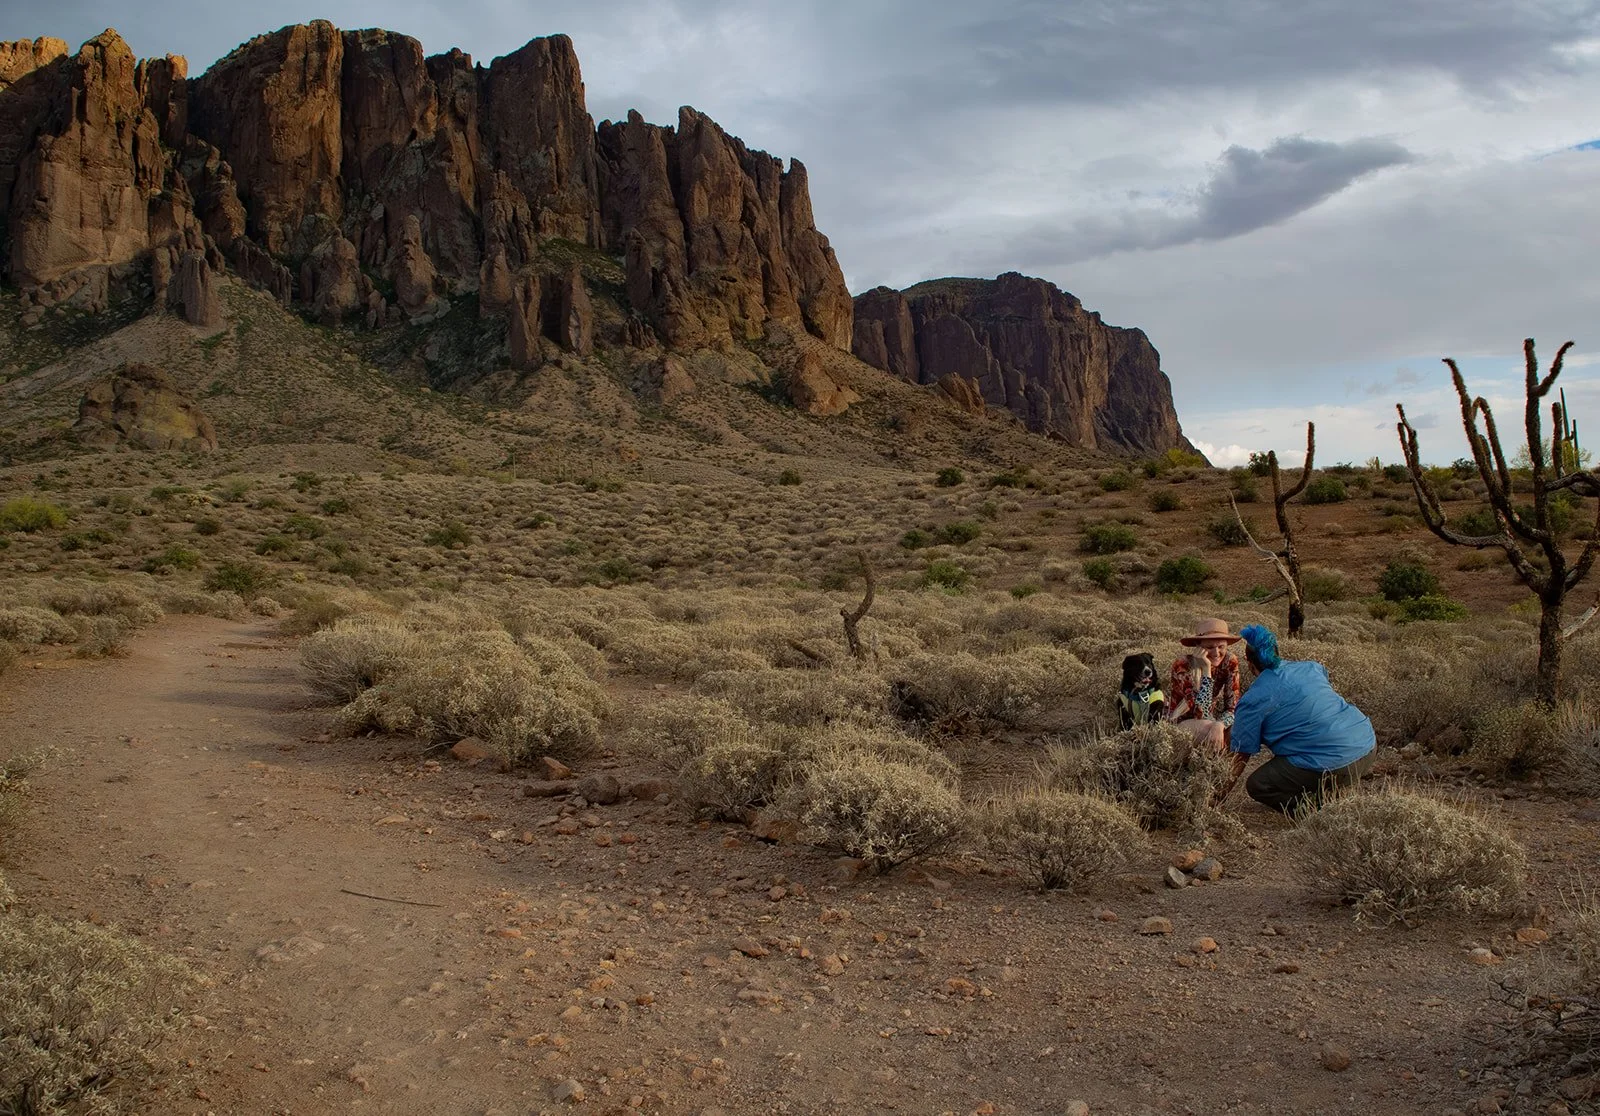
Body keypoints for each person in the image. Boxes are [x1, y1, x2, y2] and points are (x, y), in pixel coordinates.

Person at [1227, 623, 1376, 815]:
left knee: (1258, 785)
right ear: (1277, 652)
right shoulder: (1312, 668)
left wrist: (1218, 794)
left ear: (1249, 663)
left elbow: (1241, 754)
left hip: (1334, 765)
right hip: (1367, 746)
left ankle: (1316, 813)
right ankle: (1331, 792)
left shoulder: (1251, 701)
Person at [1167, 618, 1243, 754]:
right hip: (1181, 722)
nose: (1216, 653)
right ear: (1198, 646)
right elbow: (1200, 712)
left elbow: (1233, 707)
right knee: (1208, 728)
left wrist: (1220, 724)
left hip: (1210, 720)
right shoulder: (1182, 665)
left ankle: (1224, 773)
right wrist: (1206, 671)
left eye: (1221, 647)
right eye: (1209, 647)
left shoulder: (1230, 661)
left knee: (1240, 728)